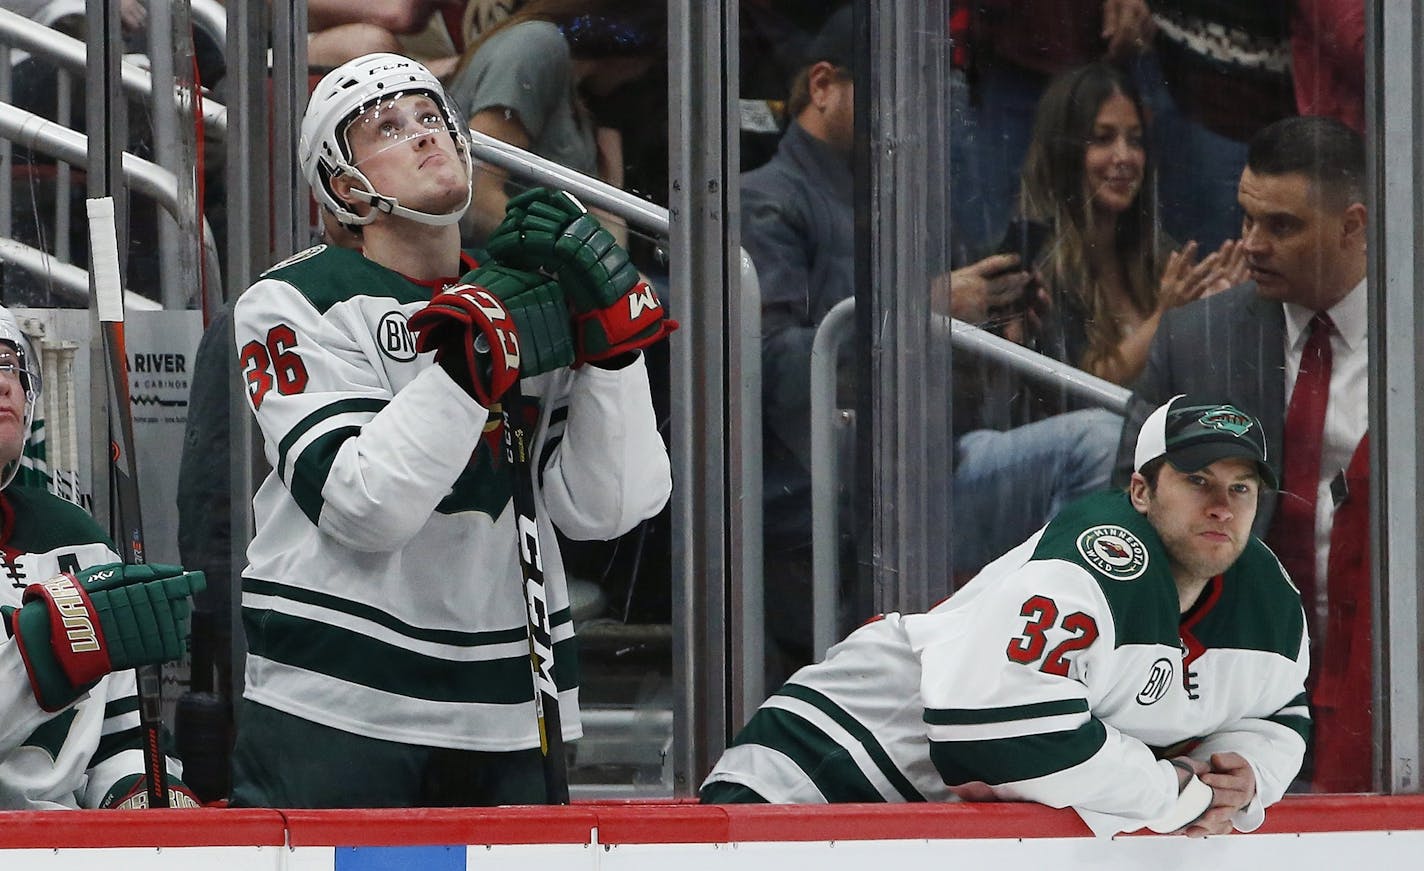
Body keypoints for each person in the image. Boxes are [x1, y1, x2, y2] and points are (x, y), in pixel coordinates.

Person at [228, 53, 673, 808]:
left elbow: (609, 509)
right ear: (344, 184)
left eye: (432, 116)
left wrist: (613, 350)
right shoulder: (293, 300)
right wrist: (470, 367)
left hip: (513, 702)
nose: (425, 134)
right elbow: (364, 506)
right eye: (388, 127)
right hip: (338, 699)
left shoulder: (527, 289)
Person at [703, 394, 1310, 840]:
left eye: (1242, 488)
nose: (1221, 507)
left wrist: (1244, 775)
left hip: (934, 817)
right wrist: (1173, 791)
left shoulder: (1268, 598)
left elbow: (1279, 711)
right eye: (1198, 480)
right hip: (827, 765)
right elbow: (1000, 738)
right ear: (1141, 492)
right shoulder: (1097, 558)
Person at [749, 7, 1123, 678]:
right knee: (1097, 441)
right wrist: (928, 306)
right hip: (830, 493)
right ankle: (1032, 676)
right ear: (823, 85)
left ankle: (1039, 668)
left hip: (931, 466)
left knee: (1113, 442)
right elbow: (777, 367)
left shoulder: (904, 198)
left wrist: (993, 329)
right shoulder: (766, 201)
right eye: (888, 91)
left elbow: (947, 376)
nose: (908, 113)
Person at [1117, 116, 1369, 793]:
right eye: (1246, 218)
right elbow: (1129, 518)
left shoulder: (1411, 333)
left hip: (1387, 685)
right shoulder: (1195, 341)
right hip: (1222, 697)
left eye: (1281, 226)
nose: (1251, 244)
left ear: (1353, 224)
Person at [0, 305, 205, 808]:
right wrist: (41, 662)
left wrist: (136, 790)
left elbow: (120, 735)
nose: (4, 385)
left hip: (65, 846)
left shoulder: (77, 540)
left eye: (7, 365)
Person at [1017, 62, 1247, 392]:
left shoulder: (1159, 253)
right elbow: (1078, 393)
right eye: (1102, 139)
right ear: (1063, 151)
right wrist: (1166, 320)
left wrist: (1218, 310)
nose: (1124, 156)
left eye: (1136, 141)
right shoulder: (1038, 266)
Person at [446, 0, 664, 240]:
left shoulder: (573, 90)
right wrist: (569, 260)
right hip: (511, 261)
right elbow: (478, 194)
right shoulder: (538, 46)